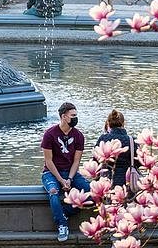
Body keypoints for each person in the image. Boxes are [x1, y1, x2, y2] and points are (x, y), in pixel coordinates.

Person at [41, 101, 91, 242]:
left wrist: (69, 178)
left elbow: (76, 161)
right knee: (53, 192)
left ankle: (63, 213)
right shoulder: (49, 134)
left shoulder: (79, 136)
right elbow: (48, 161)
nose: (75, 118)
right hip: (51, 173)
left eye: (76, 115)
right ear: (64, 116)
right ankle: (62, 225)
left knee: (92, 195)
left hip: (71, 173)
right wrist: (61, 180)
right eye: (72, 115)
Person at [96, 109, 139, 187]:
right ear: (123, 123)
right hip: (126, 180)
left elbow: (96, 159)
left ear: (108, 123)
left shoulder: (103, 138)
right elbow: (137, 162)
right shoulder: (131, 140)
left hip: (106, 179)